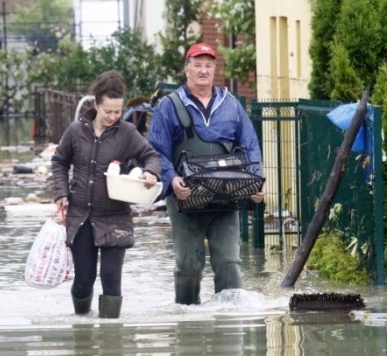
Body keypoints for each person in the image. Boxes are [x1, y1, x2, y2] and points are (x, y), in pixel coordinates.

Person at [147, 42, 266, 305]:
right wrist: (171, 179)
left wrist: (257, 181)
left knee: (229, 263)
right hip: (185, 197)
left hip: (226, 199)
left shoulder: (231, 104)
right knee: (188, 265)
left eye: (208, 66)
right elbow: (155, 150)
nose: (203, 71)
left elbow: (250, 145)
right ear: (186, 70)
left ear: (215, 71)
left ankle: (230, 333)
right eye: (197, 65)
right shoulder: (169, 105)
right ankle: (187, 326)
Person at [51, 70, 161, 318]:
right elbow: (59, 162)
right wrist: (61, 192)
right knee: (84, 280)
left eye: (118, 112)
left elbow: (150, 156)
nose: (113, 116)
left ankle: (112, 337)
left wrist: (150, 172)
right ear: (96, 105)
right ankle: (82, 329)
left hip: (115, 217)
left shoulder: (127, 133)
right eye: (108, 111)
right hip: (81, 216)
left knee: (112, 280)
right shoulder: (76, 131)